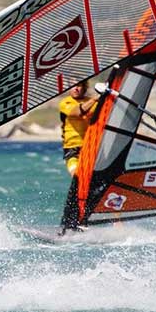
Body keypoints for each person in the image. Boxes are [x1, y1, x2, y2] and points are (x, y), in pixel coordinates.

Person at [58, 80, 98, 233]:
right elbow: (77, 112)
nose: (76, 88)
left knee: (98, 181)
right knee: (78, 176)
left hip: (91, 148)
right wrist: (95, 99)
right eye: (73, 85)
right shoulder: (65, 103)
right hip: (72, 149)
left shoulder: (91, 102)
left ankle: (115, 222)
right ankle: (70, 221)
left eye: (79, 85)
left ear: (85, 88)